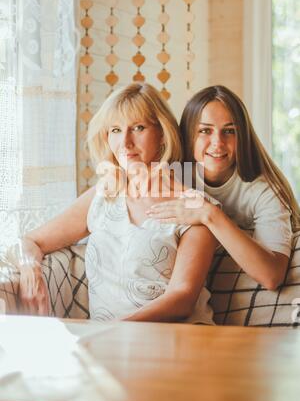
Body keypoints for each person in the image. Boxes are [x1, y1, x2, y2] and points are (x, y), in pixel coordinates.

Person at [9, 83, 216, 323]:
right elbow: (31, 241)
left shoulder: (196, 206)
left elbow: (182, 298)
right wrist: (30, 269)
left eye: (138, 128)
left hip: (177, 342)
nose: (125, 142)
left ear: (162, 134)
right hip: (110, 346)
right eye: (116, 130)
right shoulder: (102, 197)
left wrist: (112, 331)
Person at [147, 85, 300, 291]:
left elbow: (272, 276)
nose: (218, 143)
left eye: (229, 131)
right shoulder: (173, 176)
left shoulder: (265, 191)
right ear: (188, 134)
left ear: (243, 136)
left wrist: (210, 214)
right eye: (205, 131)